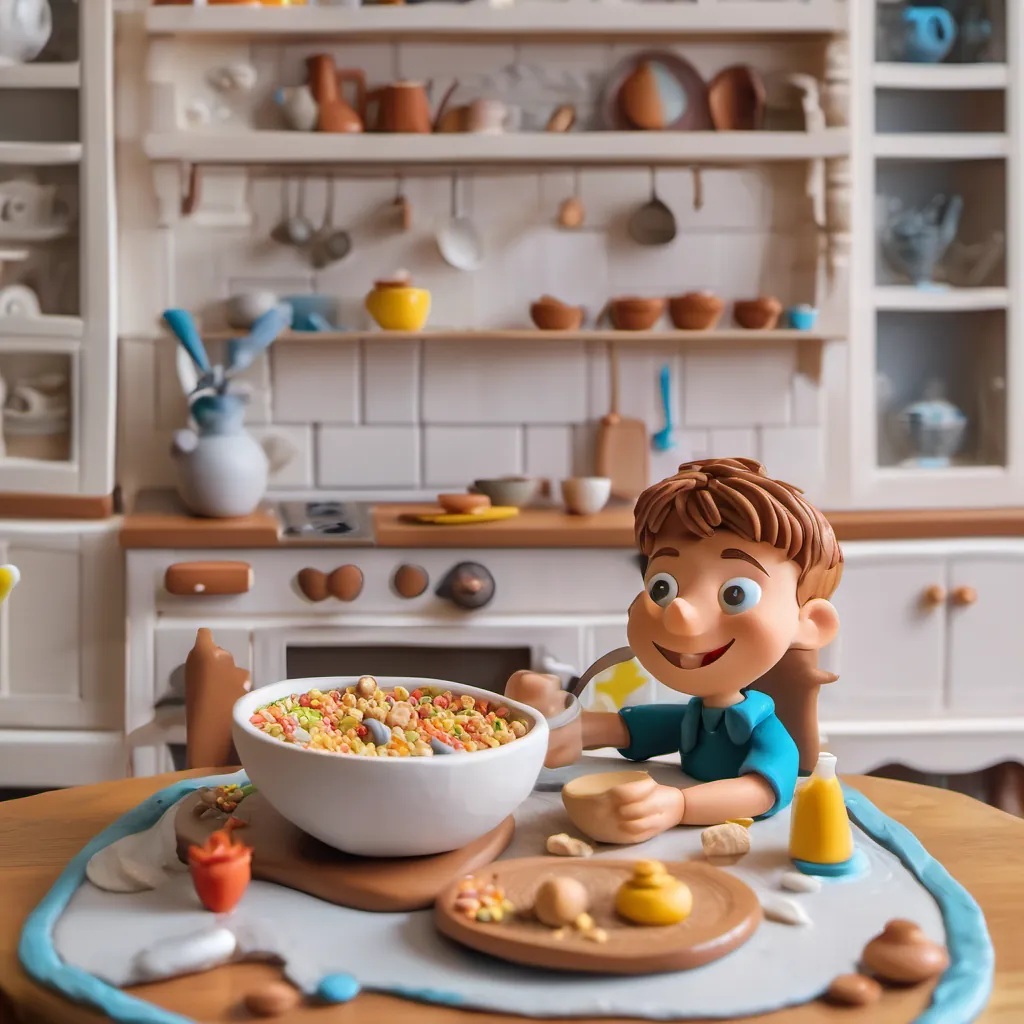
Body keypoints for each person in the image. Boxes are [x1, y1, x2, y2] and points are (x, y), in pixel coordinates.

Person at [507, 458, 843, 841]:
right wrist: (559, 726)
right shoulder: (696, 717)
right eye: (662, 588)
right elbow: (624, 729)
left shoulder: (763, 730)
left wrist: (681, 806)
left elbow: (763, 791)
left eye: (735, 594)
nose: (679, 614)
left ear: (812, 623)